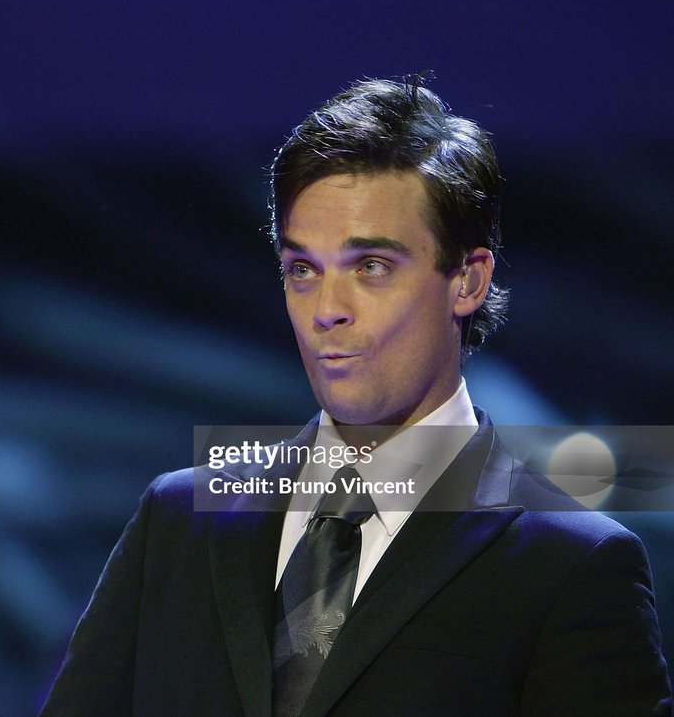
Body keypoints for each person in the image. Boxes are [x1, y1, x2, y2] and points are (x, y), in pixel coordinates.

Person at [40, 78, 671, 715]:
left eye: (371, 266)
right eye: (302, 270)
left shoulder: (573, 563)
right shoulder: (177, 521)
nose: (327, 311)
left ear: (468, 280)